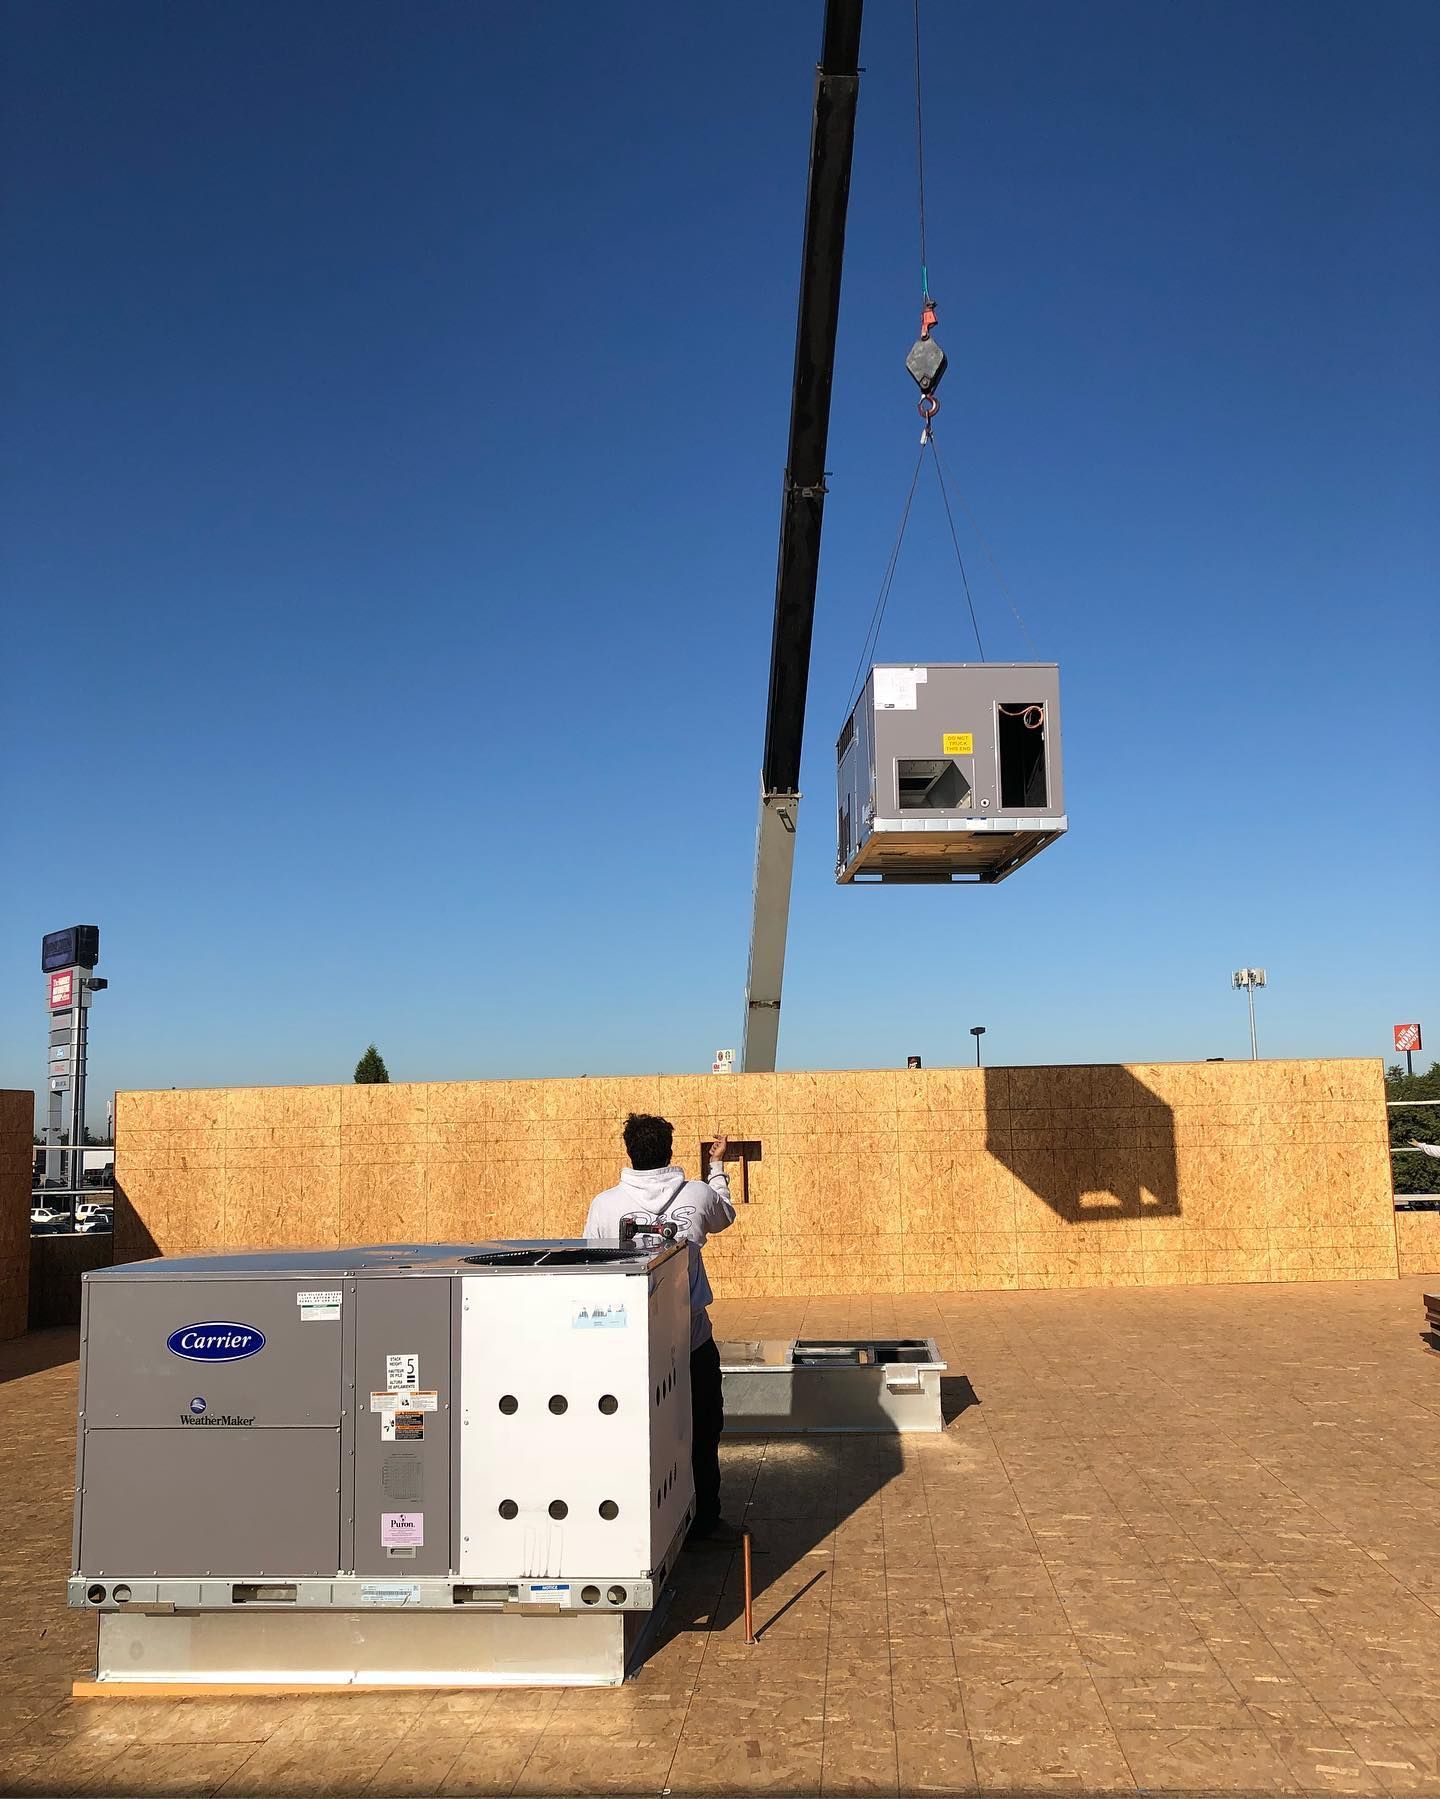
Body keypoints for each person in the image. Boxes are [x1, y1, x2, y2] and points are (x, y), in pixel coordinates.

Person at [584, 1113, 739, 1547]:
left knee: (639, 1435)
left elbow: (590, 1270)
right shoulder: (696, 1194)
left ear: (629, 1152)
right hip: (692, 1341)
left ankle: (638, 1525)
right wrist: (717, 1168)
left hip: (632, 1350)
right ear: (670, 1150)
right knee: (703, 1430)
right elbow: (724, 1215)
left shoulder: (606, 1205)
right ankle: (705, 1519)